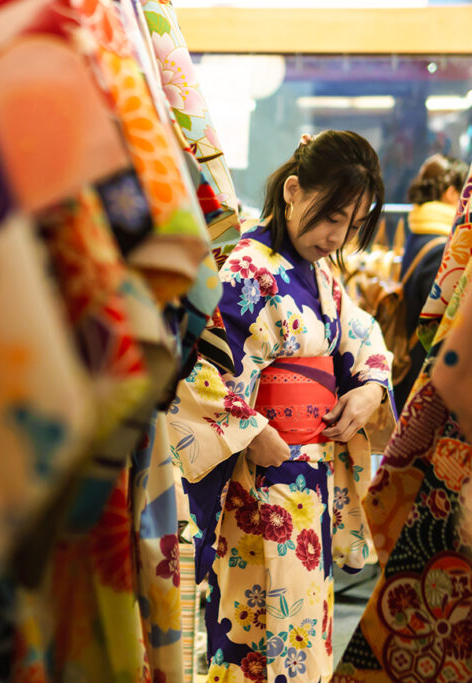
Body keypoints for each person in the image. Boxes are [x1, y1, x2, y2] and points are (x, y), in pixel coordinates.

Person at [169, 130, 393, 682]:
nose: (337, 236)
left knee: (303, 637)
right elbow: (196, 367)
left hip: (311, 485)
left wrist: (370, 388)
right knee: (256, 634)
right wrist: (249, 430)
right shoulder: (246, 270)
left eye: (353, 225)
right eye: (332, 217)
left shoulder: (323, 276)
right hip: (259, 484)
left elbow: (362, 336)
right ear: (293, 191)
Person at [392, 154, 468, 411]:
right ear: (450, 193)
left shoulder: (419, 232)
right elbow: (436, 320)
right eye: (464, 193)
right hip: (420, 370)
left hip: (408, 361)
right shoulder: (441, 247)